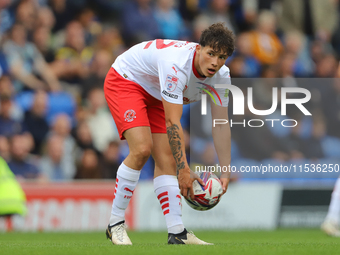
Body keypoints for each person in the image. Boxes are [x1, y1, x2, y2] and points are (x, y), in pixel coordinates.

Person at [104, 23, 234, 245]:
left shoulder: (221, 76)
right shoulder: (176, 65)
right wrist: (185, 169)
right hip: (127, 79)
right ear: (198, 49)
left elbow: (220, 124)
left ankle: (177, 233)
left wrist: (225, 171)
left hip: (156, 93)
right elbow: (173, 121)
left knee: (167, 161)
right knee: (142, 149)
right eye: (211, 54)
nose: (215, 62)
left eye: (222, 57)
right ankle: (115, 224)